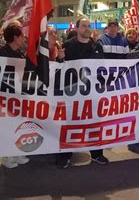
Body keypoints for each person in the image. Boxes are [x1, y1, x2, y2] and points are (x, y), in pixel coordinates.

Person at [56, 17, 109, 169]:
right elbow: (60, 68)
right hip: (72, 92)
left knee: (94, 123)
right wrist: (59, 59)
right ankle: (65, 156)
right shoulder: (68, 45)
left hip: (91, 91)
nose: (87, 28)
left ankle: (97, 154)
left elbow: (101, 67)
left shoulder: (97, 46)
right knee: (70, 124)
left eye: (89, 26)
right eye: (84, 26)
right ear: (78, 28)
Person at [0, 24, 33, 168]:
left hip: (19, 95)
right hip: (6, 95)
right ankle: (7, 157)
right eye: (22, 36)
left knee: (19, 125)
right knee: (8, 126)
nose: (24, 39)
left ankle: (17, 152)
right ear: (15, 38)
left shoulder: (19, 53)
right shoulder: (1, 53)